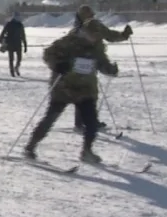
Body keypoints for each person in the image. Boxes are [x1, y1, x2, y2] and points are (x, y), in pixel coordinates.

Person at [24, 19, 119, 163]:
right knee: (50, 118)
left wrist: (110, 69)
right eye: (93, 34)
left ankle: (87, 151)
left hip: (86, 90)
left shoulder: (96, 48)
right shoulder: (68, 42)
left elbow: (102, 63)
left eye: (98, 36)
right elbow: (48, 54)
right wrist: (58, 65)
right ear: (85, 32)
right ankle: (31, 146)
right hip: (63, 88)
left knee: (91, 122)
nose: (95, 38)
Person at [67, 4, 132, 132]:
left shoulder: (81, 28)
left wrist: (124, 35)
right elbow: (108, 35)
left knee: (87, 94)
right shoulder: (84, 28)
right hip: (83, 65)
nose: (92, 16)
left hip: (85, 65)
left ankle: (85, 122)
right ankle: (85, 122)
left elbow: (108, 35)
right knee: (86, 94)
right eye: (90, 14)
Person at [0, 12, 28, 77]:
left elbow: (23, 35)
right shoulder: (9, 24)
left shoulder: (20, 25)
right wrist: (1, 41)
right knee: (11, 59)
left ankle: (16, 68)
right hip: (11, 43)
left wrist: (25, 45)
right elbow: (3, 32)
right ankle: (12, 71)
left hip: (17, 43)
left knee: (19, 58)